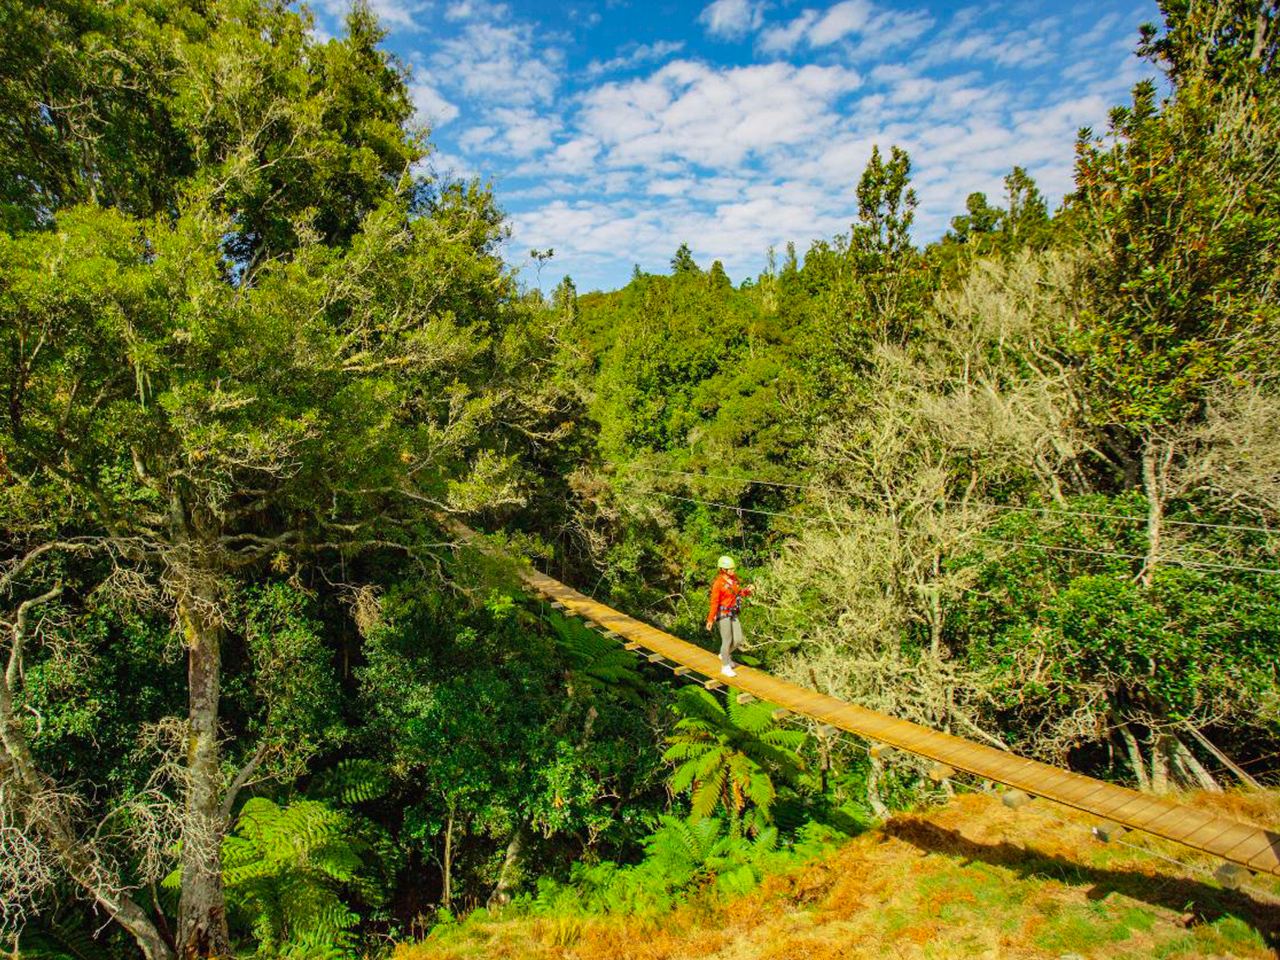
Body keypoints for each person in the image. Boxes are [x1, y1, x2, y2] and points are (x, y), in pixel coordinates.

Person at [705, 555, 752, 678]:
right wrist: (710, 619)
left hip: (733, 613)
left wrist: (747, 591)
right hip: (723, 614)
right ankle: (725, 666)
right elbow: (714, 602)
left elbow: (738, 594)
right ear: (723, 570)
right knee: (727, 640)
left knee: (738, 639)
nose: (733, 571)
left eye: (733, 568)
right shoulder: (718, 584)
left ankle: (724, 654)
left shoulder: (734, 580)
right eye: (730, 569)